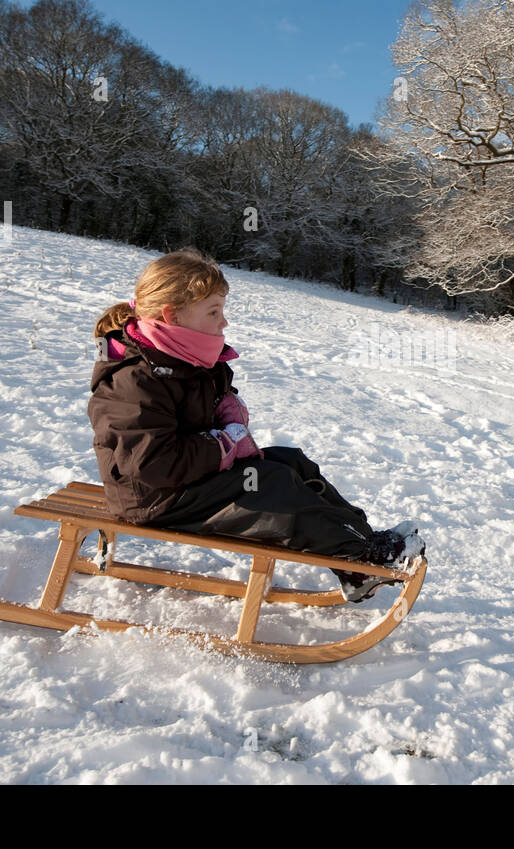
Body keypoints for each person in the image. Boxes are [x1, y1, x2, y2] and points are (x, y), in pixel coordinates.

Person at [87, 248, 424, 603]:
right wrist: (223, 443)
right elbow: (151, 463)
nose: (224, 322)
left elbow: (203, 406)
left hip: (184, 482)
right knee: (269, 482)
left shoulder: (185, 354)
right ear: (172, 315)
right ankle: (358, 559)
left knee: (290, 462)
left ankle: (360, 545)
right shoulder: (134, 378)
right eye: (213, 312)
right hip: (155, 497)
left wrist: (227, 408)